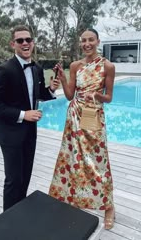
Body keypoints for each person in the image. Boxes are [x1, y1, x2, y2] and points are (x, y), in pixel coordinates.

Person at [0, 25, 60, 211]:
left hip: (29, 133)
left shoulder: (37, 68)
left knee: (26, 176)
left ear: (33, 43)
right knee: (13, 180)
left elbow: (36, 94)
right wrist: (23, 115)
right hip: (10, 134)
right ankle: (8, 222)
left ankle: (20, 214)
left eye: (28, 40)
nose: (25, 43)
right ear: (13, 44)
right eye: (20, 40)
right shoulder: (4, 70)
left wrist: (50, 89)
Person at [49, 28, 116, 230]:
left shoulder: (107, 66)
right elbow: (70, 95)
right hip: (74, 117)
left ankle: (109, 206)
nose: (87, 44)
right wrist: (61, 77)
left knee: (98, 162)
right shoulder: (75, 66)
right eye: (83, 40)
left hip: (93, 118)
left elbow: (109, 98)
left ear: (98, 41)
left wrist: (97, 96)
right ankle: (72, 199)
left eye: (91, 40)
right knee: (72, 159)